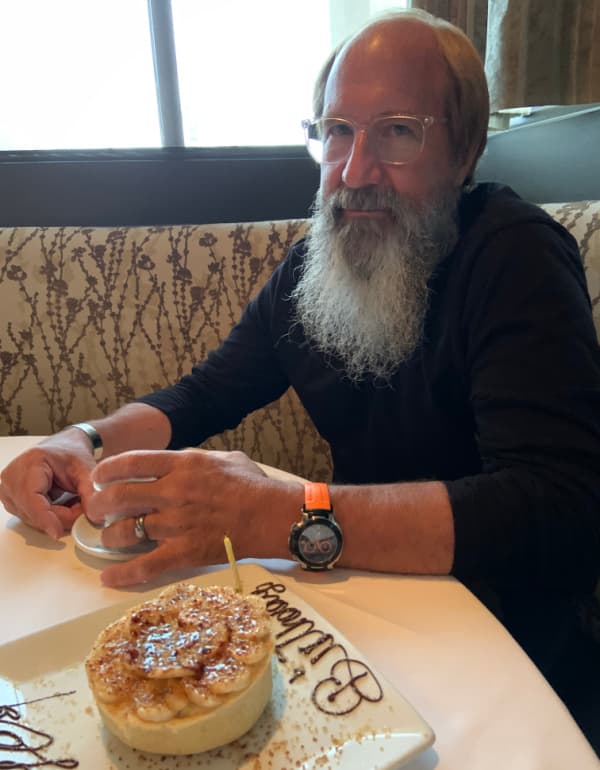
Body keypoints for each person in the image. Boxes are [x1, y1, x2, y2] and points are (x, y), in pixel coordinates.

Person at [1, 8, 599, 746]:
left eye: (398, 132)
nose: (354, 172)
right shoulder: (321, 264)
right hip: (359, 609)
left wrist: (280, 513)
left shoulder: (515, 256)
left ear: (466, 148)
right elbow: (204, 393)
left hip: (505, 651)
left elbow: (561, 511)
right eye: (338, 131)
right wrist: (82, 440)